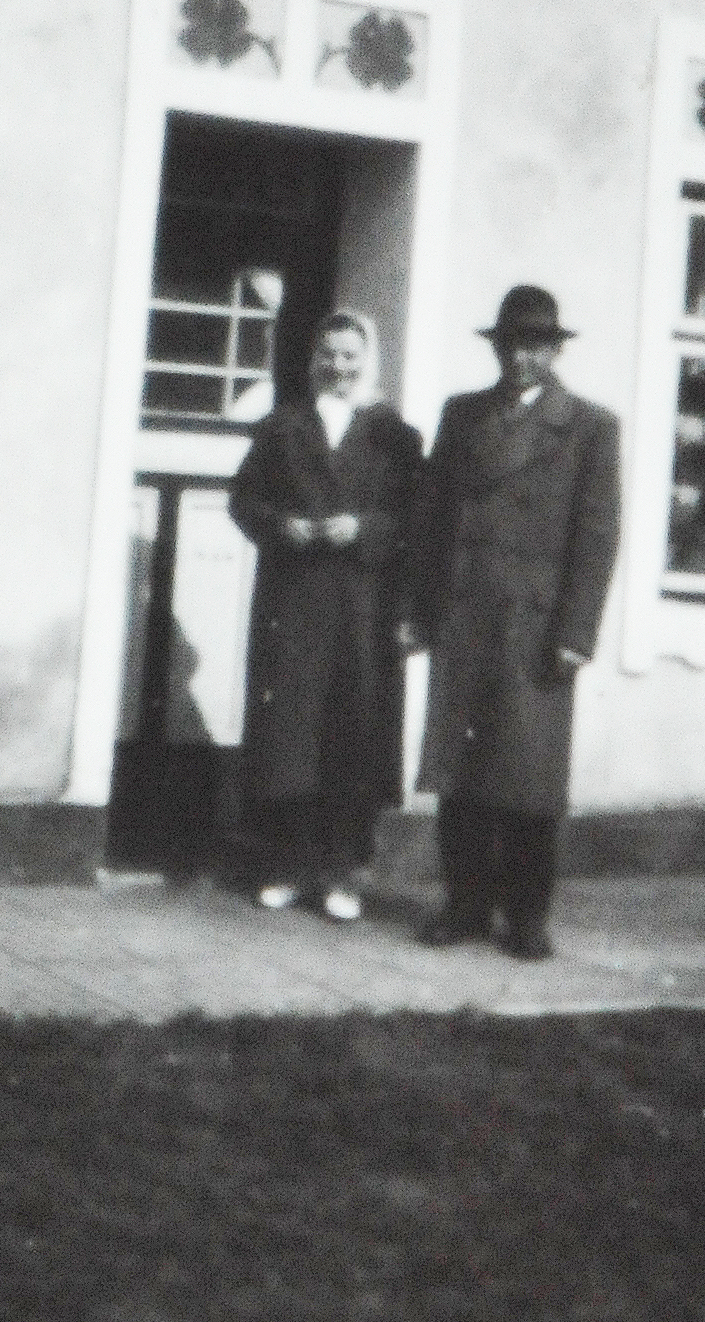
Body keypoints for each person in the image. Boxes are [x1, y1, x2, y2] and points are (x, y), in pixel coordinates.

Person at [403, 285, 619, 960]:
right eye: (510, 344)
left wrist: (577, 633)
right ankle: (465, 905)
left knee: (528, 780)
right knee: (461, 771)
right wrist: (418, 611)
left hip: (536, 626)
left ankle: (527, 916)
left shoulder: (588, 426)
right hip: (465, 612)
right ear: (496, 347)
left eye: (534, 345)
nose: (520, 357)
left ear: (555, 351)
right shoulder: (462, 414)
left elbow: (597, 535)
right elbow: (432, 519)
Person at [228, 309, 422, 921]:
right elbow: (243, 500)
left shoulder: (395, 435)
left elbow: (414, 517)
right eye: (328, 355)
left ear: (368, 361)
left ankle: (342, 874)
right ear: (314, 361)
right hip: (295, 601)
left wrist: (362, 527)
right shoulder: (282, 427)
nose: (339, 367)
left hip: (363, 609)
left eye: (350, 356)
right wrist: (279, 525)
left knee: (352, 733)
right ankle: (286, 865)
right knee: (290, 736)